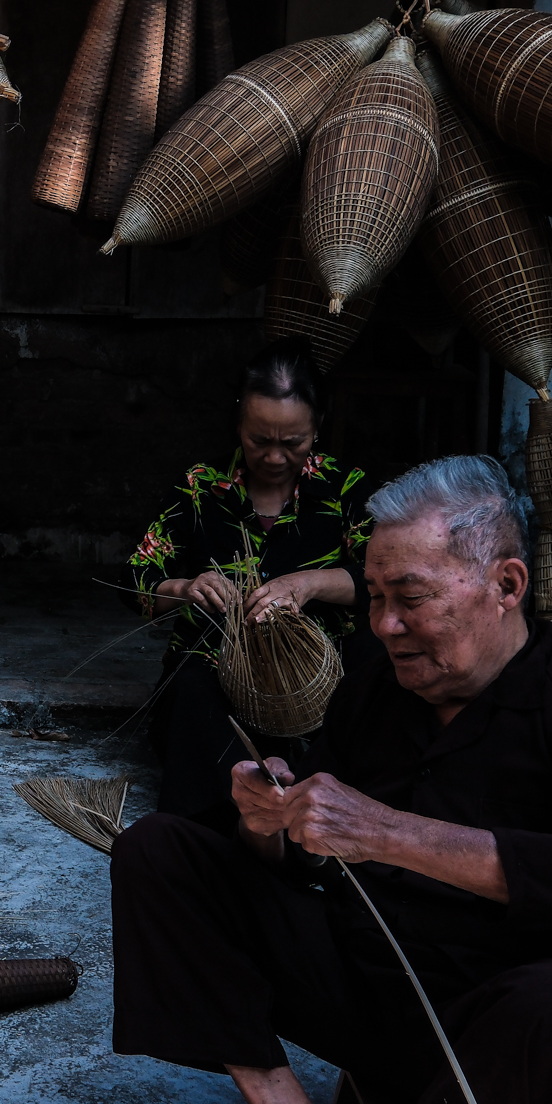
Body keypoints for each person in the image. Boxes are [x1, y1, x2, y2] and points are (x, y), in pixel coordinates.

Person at [109, 455, 552, 1104]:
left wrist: (392, 833)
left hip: (493, 1043)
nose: (386, 624)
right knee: (161, 849)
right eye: (374, 597)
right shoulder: (376, 682)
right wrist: (270, 823)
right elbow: (310, 853)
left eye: (410, 596)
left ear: (504, 583)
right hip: (368, 991)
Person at [123, 338, 371, 829]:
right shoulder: (202, 488)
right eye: (260, 440)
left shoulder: (344, 489)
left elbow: (380, 582)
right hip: (215, 676)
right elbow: (137, 578)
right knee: (193, 691)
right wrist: (184, 587)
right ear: (239, 423)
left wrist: (310, 583)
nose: (275, 457)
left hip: (314, 682)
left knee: (367, 691)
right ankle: (200, 841)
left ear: (317, 427)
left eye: (293, 442)